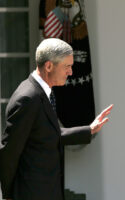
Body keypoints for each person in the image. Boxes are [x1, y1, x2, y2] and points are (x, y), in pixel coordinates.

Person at [0, 38, 113, 200]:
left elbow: (47, 133)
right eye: (67, 66)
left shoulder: (44, 92)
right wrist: (8, 194)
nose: (71, 72)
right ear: (48, 66)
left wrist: (88, 130)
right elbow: (9, 151)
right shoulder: (27, 98)